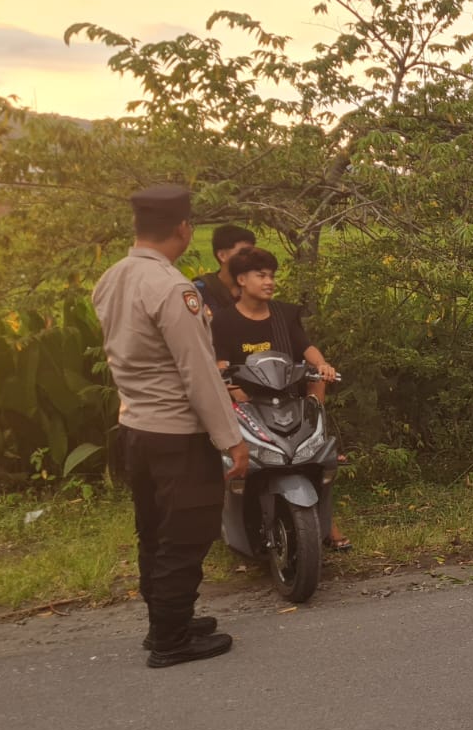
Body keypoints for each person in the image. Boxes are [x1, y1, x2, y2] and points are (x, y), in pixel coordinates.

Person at [92, 183, 248, 668]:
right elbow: (198, 372)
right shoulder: (172, 288)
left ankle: (167, 617)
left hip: (135, 428)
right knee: (186, 534)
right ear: (184, 229)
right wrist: (231, 439)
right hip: (177, 434)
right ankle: (171, 640)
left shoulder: (112, 278)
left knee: (155, 530)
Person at [211, 246, 351, 550]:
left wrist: (323, 365)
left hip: (287, 397)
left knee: (315, 438)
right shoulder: (223, 322)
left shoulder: (284, 314)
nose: (269, 281)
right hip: (245, 401)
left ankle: (324, 515)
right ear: (242, 279)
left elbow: (306, 349)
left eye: (272, 275)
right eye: (261, 275)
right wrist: (231, 385)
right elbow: (220, 364)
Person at [191, 224, 256, 311]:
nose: (250, 258)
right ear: (222, 256)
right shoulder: (199, 291)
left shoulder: (254, 290)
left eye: (252, 253)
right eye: (243, 252)